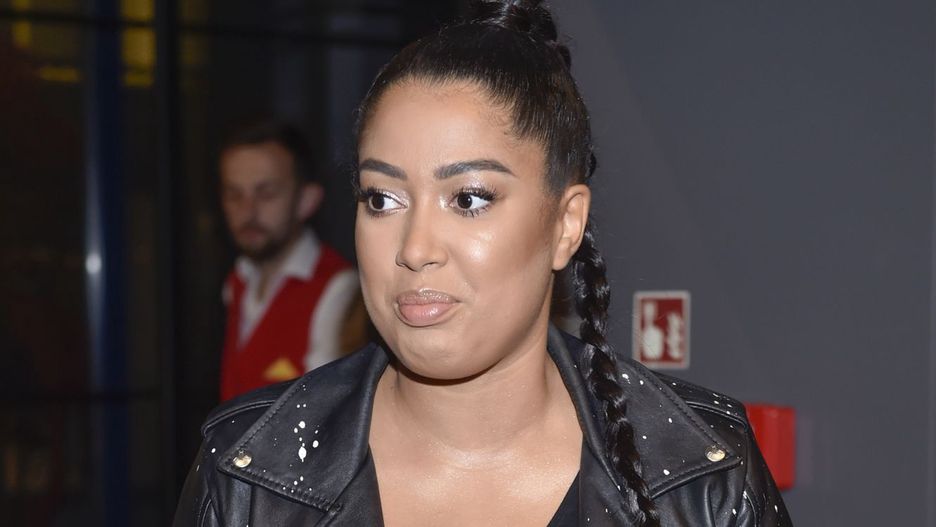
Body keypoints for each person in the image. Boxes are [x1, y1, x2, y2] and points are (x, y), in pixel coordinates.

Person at [176, 2, 791, 525]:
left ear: (565, 224)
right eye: (382, 199)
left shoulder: (698, 476)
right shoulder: (251, 475)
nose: (415, 248)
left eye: (468, 199)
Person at [217, 122, 362, 401]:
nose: (247, 211)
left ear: (307, 200)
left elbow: (325, 409)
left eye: (266, 193)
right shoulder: (236, 282)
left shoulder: (337, 289)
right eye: (234, 194)